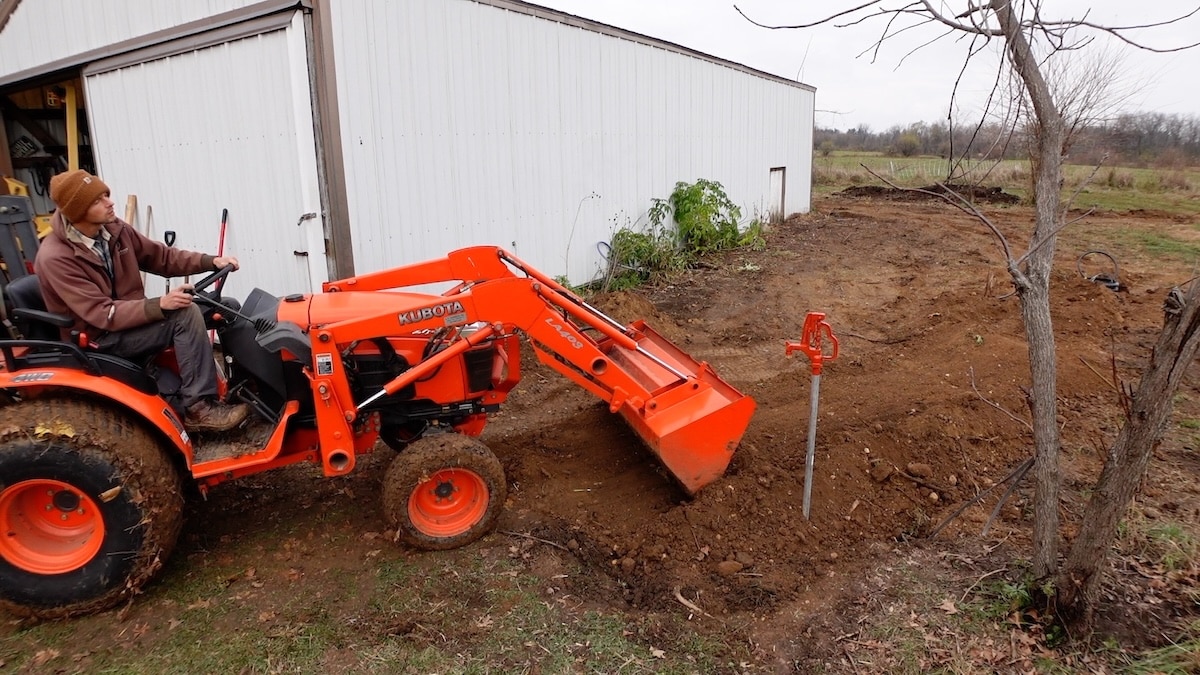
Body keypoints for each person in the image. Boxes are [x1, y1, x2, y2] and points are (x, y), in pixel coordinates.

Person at [35, 169, 250, 433]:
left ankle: (242, 389)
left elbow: (162, 257)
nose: (109, 202)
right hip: (99, 338)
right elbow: (102, 313)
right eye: (97, 200)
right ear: (77, 212)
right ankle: (199, 409)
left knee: (224, 306)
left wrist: (210, 261)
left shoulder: (114, 230)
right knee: (184, 315)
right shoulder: (56, 258)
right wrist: (159, 304)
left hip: (128, 321)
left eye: (106, 194)